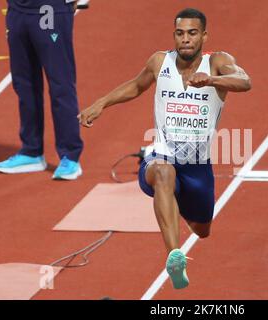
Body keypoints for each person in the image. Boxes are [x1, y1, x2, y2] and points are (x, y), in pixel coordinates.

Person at [78, 8, 251, 289]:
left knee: (202, 230)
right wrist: (101, 103)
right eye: (180, 33)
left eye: (193, 33)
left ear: (204, 36)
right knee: (164, 173)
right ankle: (174, 256)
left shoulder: (218, 62)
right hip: (160, 157)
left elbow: (245, 82)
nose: (186, 39)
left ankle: (172, 202)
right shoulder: (160, 62)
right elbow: (136, 86)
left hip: (197, 167)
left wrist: (211, 81)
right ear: (174, 36)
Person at [0, 0, 83, 180]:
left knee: (60, 84)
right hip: (17, 10)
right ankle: (31, 151)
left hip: (51, 8)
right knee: (24, 85)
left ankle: (70, 156)